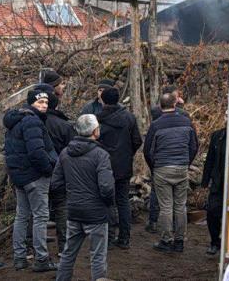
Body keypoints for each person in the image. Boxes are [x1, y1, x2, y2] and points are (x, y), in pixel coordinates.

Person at [52, 114, 115, 281]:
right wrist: (108, 205)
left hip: (73, 210)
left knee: (68, 252)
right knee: (98, 255)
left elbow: (56, 184)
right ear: (95, 131)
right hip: (96, 213)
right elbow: (107, 187)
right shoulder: (101, 155)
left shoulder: (65, 153)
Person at [4, 85, 59, 272]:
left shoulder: (16, 121)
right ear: (31, 103)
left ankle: (19, 258)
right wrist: (48, 169)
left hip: (19, 176)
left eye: (45, 102)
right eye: (40, 102)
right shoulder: (32, 121)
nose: (44, 105)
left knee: (22, 216)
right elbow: (36, 152)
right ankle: (42, 259)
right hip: (35, 176)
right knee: (40, 217)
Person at [144, 87, 199, 253]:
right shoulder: (186, 122)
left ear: (160, 107)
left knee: (166, 207)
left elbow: (148, 150)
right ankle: (180, 240)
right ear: (175, 104)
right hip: (181, 168)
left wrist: (155, 166)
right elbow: (194, 145)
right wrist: (186, 162)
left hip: (162, 169)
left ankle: (166, 240)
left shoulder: (156, 125)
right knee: (180, 206)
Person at [94, 86, 142, 249]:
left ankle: (108, 237)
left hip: (102, 165)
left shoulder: (97, 119)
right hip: (123, 165)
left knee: (106, 200)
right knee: (122, 200)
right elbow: (137, 140)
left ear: (102, 99)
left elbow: (93, 141)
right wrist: (127, 153)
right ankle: (124, 237)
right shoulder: (129, 118)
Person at [42, 83, 73, 256]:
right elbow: (72, 149)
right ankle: (63, 247)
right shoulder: (65, 125)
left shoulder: (37, 122)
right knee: (62, 208)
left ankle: (37, 248)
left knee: (38, 211)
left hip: (40, 171)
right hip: (60, 172)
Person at [200, 126, 227, 255]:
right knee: (212, 212)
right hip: (218, 181)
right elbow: (210, 158)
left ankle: (227, 243)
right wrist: (205, 180)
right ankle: (215, 242)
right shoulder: (218, 135)